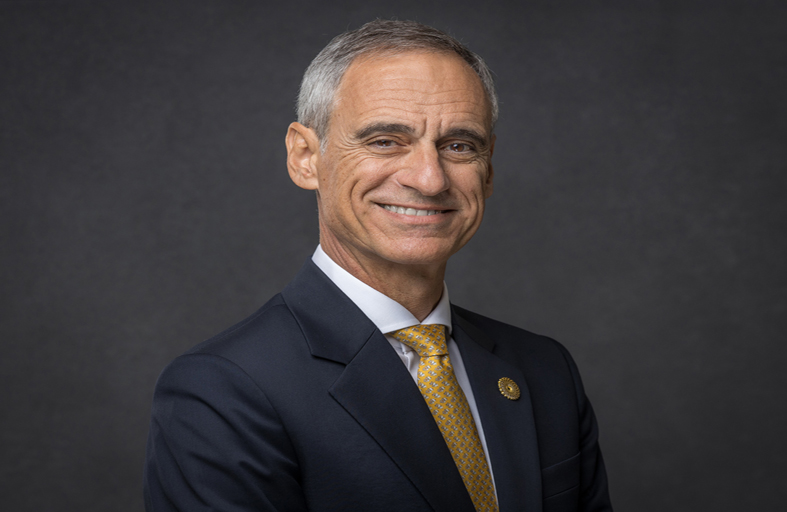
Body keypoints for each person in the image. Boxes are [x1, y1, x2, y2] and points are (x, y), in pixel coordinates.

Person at [144, 19, 612, 512]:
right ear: (305, 157)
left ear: (488, 168)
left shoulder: (544, 370)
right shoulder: (222, 389)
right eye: (385, 140)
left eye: (458, 146)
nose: (430, 180)